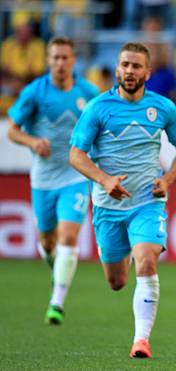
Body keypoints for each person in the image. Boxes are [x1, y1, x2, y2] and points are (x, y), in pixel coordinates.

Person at [69, 42, 176, 358]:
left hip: (147, 202)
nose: (130, 71)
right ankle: (115, 257)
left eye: (136, 66)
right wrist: (104, 179)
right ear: (117, 68)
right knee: (116, 282)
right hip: (108, 207)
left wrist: (167, 180)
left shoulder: (163, 108)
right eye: (125, 64)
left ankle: (141, 340)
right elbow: (76, 155)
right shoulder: (98, 108)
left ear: (148, 72)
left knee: (147, 258)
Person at [7, 37, 99, 325]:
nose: (60, 63)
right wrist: (33, 142)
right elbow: (12, 130)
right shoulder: (35, 92)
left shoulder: (88, 92)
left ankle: (56, 303)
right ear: (48, 60)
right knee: (48, 243)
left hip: (75, 175)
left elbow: (103, 126)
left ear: (73, 61)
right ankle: (56, 269)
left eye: (65, 58)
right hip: (44, 179)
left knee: (68, 236)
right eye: (55, 58)